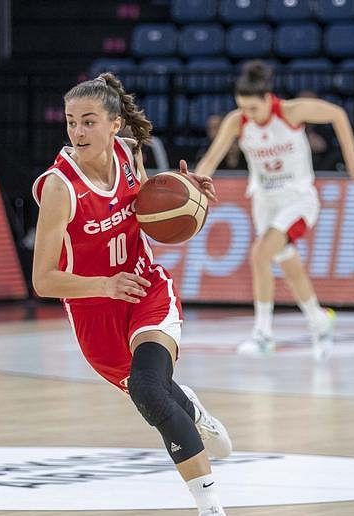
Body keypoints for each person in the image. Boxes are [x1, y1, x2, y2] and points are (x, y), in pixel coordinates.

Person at [32, 73, 231, 516]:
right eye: (70, 123)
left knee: (148, 388)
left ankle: (210, 507)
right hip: (94, 312)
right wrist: (104, 285)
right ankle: (192, 409)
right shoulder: (59, 188)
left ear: (114, 125)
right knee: (155, 392)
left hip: (144, 288)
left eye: (88, 122)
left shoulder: (129, 152)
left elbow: (143, 205)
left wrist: (182, 194)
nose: (78, 132)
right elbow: (43, 280)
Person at [195, 61, 354, 360]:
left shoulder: (290, 112)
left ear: (267, 99)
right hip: (263, 201)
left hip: (297, 199)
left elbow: (337, 114)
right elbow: (211, 159)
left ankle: (263, 335)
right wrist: (192, 185)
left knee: (260, 254)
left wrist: (351, 158)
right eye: (243, 108)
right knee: (288, 265)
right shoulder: (237, 122)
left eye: (253, 109)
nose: (248, 114)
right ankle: (317, 318)